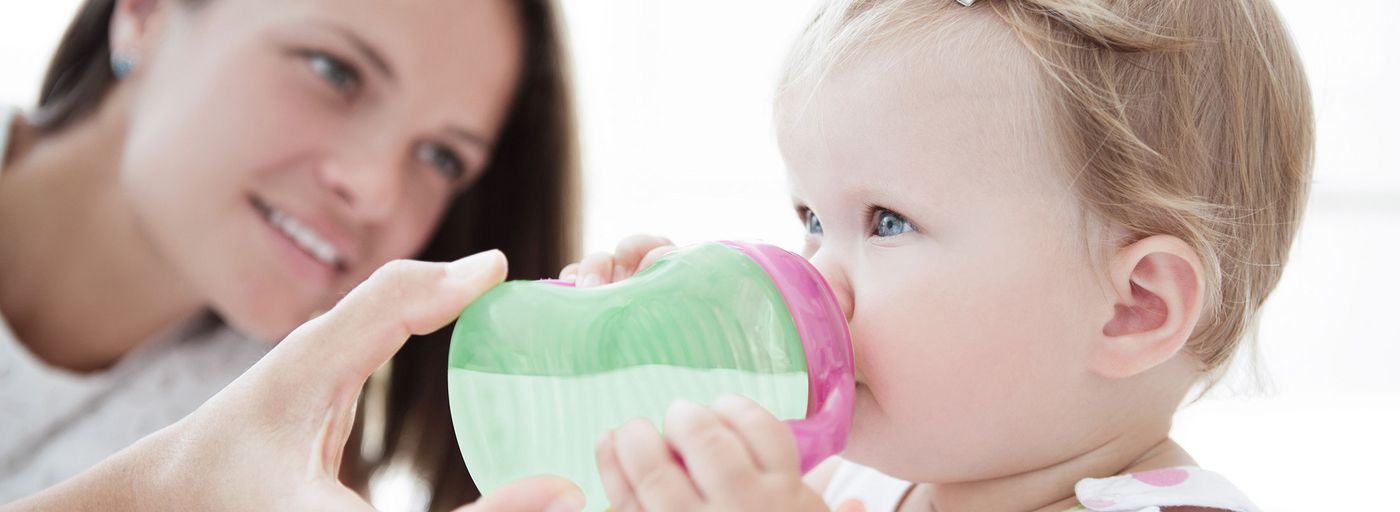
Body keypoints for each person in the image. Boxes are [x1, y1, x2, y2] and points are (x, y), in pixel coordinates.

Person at [569, 0, 1313, 510]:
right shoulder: (849, 476)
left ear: (1131, 308)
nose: (817, 277)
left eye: (887, 223)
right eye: (813, 219)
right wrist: (657, 388)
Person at [1, 0, 577, 508]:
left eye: (442, 157)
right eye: (335, 71)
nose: (375, 189)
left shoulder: (295, 448)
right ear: (144, 12)